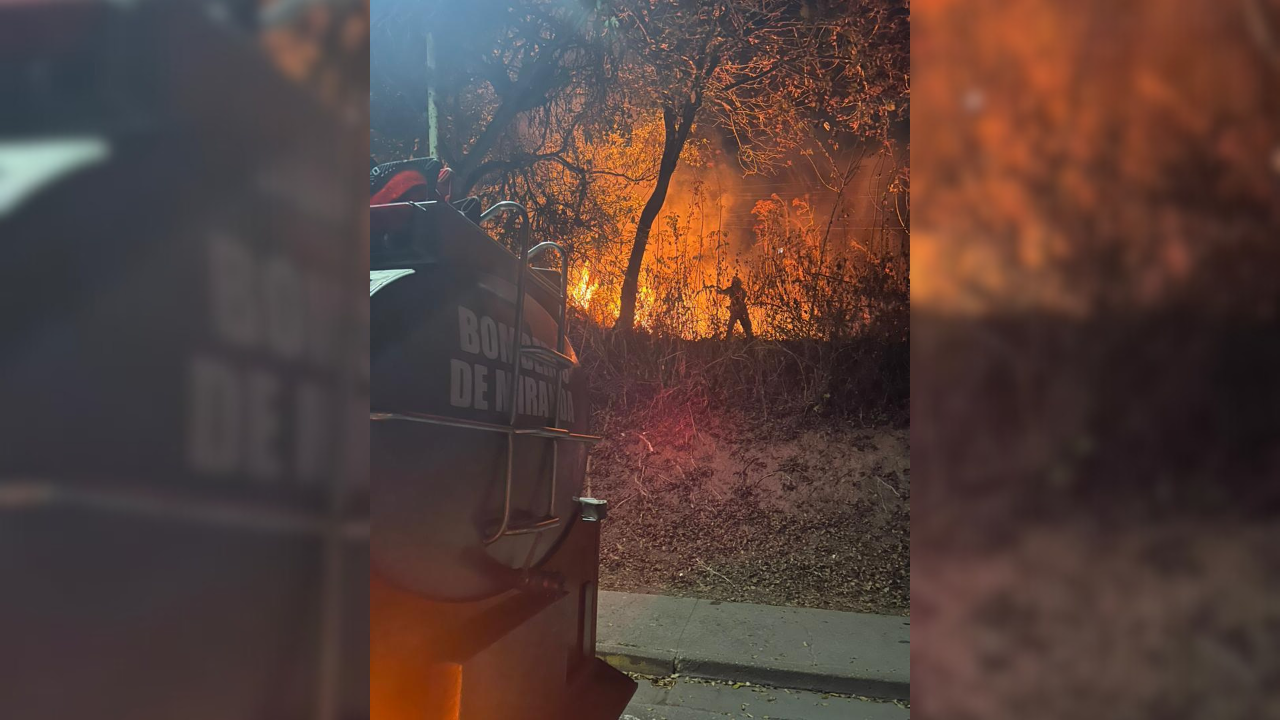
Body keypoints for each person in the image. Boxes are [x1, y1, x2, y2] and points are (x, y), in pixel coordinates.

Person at [717, 275, 754, 340]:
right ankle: (749, 337)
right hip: (738, 310)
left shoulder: (735, 290)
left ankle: (728, 339)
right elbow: (724, 292)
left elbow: (723, 292)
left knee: (733, 325)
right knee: (741, 324)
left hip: (737, 310)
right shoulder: (741, 290)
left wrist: (718, 291)